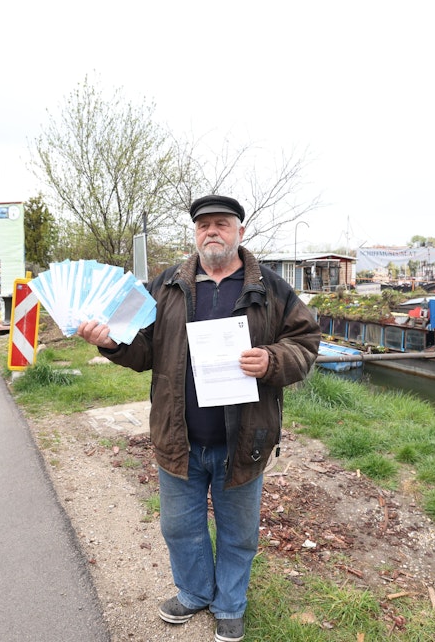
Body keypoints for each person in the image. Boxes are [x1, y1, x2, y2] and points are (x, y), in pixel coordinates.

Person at [77, 195, 320, 642]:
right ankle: (193, 592)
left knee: (239, 532)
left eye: (222, 224)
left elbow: (305, 344)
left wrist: (271, 360)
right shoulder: (164, 285)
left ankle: (229, 604)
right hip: (178, 437)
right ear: (195, 233)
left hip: (245, 437)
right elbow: (142, 347)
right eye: (204, 224)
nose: (212, 231)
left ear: (240, 232)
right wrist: (111, 344)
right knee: (179, 526)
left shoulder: (271, 288)